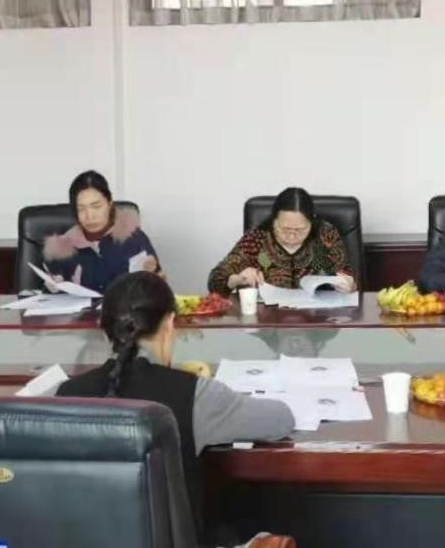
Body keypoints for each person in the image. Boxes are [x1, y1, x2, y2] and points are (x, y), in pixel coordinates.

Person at [58, 272, 296, 548]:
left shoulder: (64, 396)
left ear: (105, 332)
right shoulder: (194, 394)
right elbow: (281, 419)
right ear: (170, 323)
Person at [208, 187, 354, 294]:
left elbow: (348, 276)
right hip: (268, 320)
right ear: (274, 220)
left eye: (300, 230)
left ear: (312, 221)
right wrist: (236, 279)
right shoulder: (256, 239)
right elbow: (215, 281)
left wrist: (349, 285)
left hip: (318, 319)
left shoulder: (325, 235)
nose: (291, 237)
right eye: (284, 229)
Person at [42, 170, 161, 294]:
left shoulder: (135, 239)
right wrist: (52, 288)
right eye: (81, 209)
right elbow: (47, 297)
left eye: (96, 207)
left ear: (109, 203)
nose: (90, 216)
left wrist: (153, 273)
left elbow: (158, 291)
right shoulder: (63, 249)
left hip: (126, 307)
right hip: (81, 308)